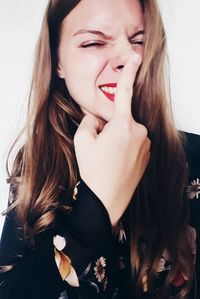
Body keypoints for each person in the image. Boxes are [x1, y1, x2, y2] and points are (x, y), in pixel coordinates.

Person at [0, 0, 200, 298]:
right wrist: (96, 209)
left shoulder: (194, 156)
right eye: (93, 42)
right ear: (58, 61)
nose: (128, 57)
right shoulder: (37, 160)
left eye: (138, 40)